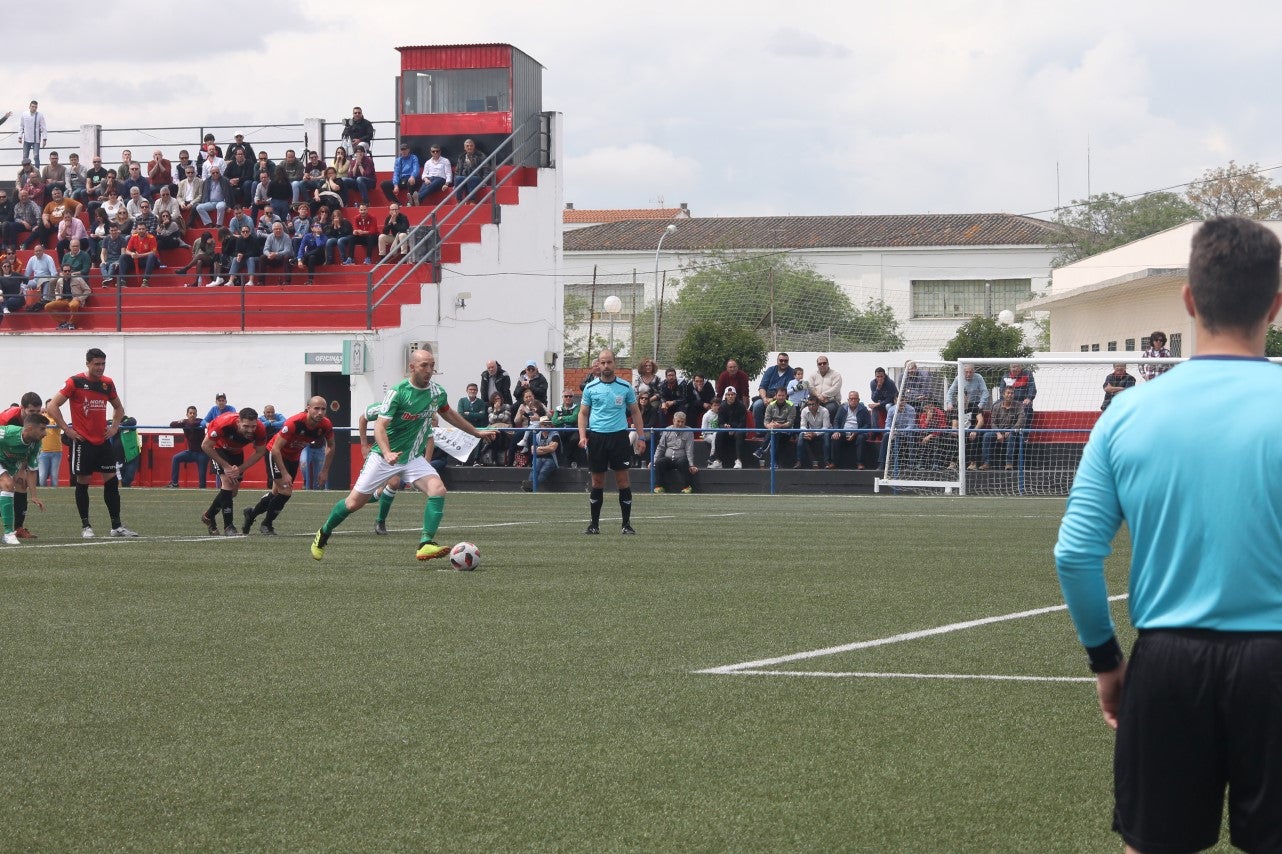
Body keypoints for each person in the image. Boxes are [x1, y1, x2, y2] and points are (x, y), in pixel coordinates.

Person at [1055, 216, 1282, 854]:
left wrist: (1107, 662)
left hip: (1169, 664)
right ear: (1275, 304)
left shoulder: (1128, 411)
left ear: (1189, 300)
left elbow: (1075, 554)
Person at [310, 349, 495, 562]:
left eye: (432, 365)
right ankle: (323, 533)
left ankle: (425, 544)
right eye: (424, 365)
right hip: (383, 457)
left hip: (412, 457)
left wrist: (476, 432)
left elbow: (449, 414)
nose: (429, 370)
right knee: (353, 504)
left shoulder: (436, 392)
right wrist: (387, 452)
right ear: (412, 367)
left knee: (438, 489)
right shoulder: (398, 393)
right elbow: (380, 426)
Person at [46, 348, 138, 537]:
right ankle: (86, 526)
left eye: (103, 364)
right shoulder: (75, 382)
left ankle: (116, 526)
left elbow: (119, 408)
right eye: (97, 364)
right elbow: (52, 405)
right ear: (87, 364)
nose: (100, 368)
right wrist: (67, 429)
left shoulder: (107, 383)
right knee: (83, 482)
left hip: (103, 441)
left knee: (111, 482)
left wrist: (114, 427)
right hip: (82, 441)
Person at [578, 348, 645, 535]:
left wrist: (641, 436)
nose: (606, 366)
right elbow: (583, 413)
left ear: (614, 363)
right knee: (597, 482)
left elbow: (635, 412)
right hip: (597, 438)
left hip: (619, 437)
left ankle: (626, 524)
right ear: (598, 364)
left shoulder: (625, 387)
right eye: (603, 362)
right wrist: (583, 436)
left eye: (609, 362)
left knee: (623, 481)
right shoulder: (591, 388)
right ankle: (594, 525)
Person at [243, 397, 334, 535]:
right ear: (308, 408)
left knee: (275, 493)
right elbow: (275, 449)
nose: (320, 412)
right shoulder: (294, 422)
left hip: (293, 456)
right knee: (286, 491)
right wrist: (285, 473)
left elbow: (331, 446)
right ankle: (266, 524)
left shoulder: (325, 425)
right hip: (275, 453)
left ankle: (251, 515)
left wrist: (325, 471)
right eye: (316, 408)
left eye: (323, 409)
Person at [200, 408, 268, 536]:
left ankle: (208, 516)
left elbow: (260, 451)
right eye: (246, 426)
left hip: (236, 452)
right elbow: (205, 445)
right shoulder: (223, 424)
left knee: (233, 492)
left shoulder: (260, 428)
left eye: (253, 426)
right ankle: (229, 527)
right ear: (238, 422)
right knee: (227, 482)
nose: (250, 430)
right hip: (218, 448)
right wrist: (225, 466)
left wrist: (241, 468)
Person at [0, 393, 45, 537]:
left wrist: (20, 469)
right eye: (32, 412)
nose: (36, 414)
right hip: (3, 454)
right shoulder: (8, 421)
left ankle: (18, 528)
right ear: (22, 409)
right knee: (7, 484)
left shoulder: (36, 429)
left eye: (39, 411)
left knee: (21, 482)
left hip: (14, 457)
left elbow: (27, 449)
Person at [753, 353, 793, 451]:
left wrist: (773, 399)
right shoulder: (771, 370)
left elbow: (787, 391)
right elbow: (762, 387)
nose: (783, 362)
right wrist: (764, 399)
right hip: (767, 396)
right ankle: (761, 432)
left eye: (785, 361)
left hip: (782, 398)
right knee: (757, 405)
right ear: (777, 361)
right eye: (781, 360)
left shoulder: (792, 372)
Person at [652, 411, 697, 493]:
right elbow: (661, 447)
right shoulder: (667, 430)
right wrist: (654, 461)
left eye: (682, 422)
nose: (680, 424)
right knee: (659, 462)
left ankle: (687, 487)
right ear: (673, 421)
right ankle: (659, 486)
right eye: (678, 421)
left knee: (684, 462)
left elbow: (689, 449)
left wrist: (691, 465)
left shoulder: (689, 431)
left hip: (680, 459)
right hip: (668, 459)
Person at [980, 386, 1024, 470]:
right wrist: (998, 433)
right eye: (1008, 393)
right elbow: (993, 423)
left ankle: (1009, 463)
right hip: (998, 431)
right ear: (1003, 394)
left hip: (1012, 430)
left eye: (1012, 393)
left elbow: (1021, 421)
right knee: (986, 436)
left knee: (1011, 436)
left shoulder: (1019, 406)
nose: (1010, 395)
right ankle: (987, 463)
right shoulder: (996, 406)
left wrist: (1011, 430)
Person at [168, 405, 210, 488]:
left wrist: (185, 422)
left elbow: (199, 423)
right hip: (191, 452)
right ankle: (174, 483)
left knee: (202, 478)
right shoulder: (184, 422)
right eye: (190, 413)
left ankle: (202, 487)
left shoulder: (200, 421)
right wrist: (181, 421)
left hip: (202, 453)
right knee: (176, 458)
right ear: (187, 414)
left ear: (196, 415)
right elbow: (172, 424)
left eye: (194, 413)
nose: (192, 415)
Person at [42, 262, 90, 330]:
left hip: (74, 299)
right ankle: (63, 323)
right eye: (65, 271)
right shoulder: (60, 280)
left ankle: (71, 323)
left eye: (69, 271)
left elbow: (87, 290)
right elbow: (57, 290)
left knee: (73, 305)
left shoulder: (78, 279)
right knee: (47, 306)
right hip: (64, 300)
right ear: (62, 272)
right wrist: (58, 297)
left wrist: (80, 298)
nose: (67, 272)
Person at [834, 390, 871, 469]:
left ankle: (860, 463)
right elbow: (836, 421)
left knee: (861, 438)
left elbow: (868, 425)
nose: (853, 400)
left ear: (859, 400)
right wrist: (836, 431)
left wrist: (856, 432)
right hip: (843, 431)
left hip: (858, 432)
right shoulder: (842, 408)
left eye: (855, 398)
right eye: (851, 399)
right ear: (848, 400)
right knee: (835, 437)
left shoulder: (864, 409)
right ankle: (834, 463)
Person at [522, 417, 559, 492]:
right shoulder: (536, 435)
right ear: (540, 426)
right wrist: (546, 448)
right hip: (539, 457)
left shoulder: (555, 434)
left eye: (549, 424)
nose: (547, 426)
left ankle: (530, 486)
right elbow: (533, 451)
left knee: (543, 471)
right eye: (545, 424)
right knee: (535, 469)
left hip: (551, 458)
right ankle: (531, 486)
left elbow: (553, 448)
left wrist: (539, 448)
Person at [715, 387, 748, 469]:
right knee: (719, 434)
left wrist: (734, 429)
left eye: (732, 394)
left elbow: (743, 423)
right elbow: (720, 423)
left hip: (738, 430)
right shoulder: (722, 406)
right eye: (728, 395)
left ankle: (738, 460)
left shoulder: (741, 406)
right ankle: (718, 461)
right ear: (725, 396)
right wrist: (725, 426)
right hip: (727, 431)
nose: (730, 396)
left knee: (739, 434)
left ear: (735, 395)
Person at [119, 222, 159, 287]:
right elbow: (127, 250)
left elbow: (153, 252)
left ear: (146, 229)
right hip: (137, 259)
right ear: (137, 230)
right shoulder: (133, 237)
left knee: (151, 256)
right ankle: (122, 281)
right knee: (122, 257)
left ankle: (145, 281)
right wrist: (132, 253)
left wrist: (139, 255)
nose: (141, 231)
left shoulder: (152, 238)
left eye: (143, 229)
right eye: (139, 229)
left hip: (150, 261)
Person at [797, 395, 832, 469]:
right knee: (801, 435)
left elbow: (826, 427)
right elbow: (802, 426)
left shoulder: (825, 411)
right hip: (810, 432)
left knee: (826, 435)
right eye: (809, 404)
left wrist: (815, 434)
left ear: (818, 404)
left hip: (822, 432)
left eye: (813, 404)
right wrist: (808, 433)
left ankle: (827, 461)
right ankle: (799, 461)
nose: (811, 407)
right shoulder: (804, 411)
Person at [761, 386, 794, 464]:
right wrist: (769, 426)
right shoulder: (770, 405)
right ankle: (773, 463)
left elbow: (790, 422)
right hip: (774, 430)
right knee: (774, 433)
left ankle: (762, 449)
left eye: (783, 395)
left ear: (786, 396)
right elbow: (766, 422)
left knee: (774, 432)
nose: (781, 397)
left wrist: (780, 426)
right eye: (779, 395)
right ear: (775, 396)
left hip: (786, 431)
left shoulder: (791, 405)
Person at [38, 403, 61, 488]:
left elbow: (59, 424)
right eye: (49, 407)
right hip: (43, 451)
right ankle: (42, 495)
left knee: (54, 476)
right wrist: (40, 412)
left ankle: (55, 496)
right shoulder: (42, 417)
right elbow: (33, 419)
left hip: (56, 451)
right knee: (42, 476)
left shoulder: (58, 417)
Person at [18, 101, 47, 167]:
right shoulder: (24, 114)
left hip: (36, 140)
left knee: (36, 156)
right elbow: (21, 126)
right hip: (26, 139)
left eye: (35, 107)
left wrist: (44, 139)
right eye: (32, 106)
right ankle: (25, 173)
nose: (34, 108)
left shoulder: (40, 115)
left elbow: (43, 127)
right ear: (29, 107)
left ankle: (37, 172)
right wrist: (20, 137)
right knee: (25, 157)